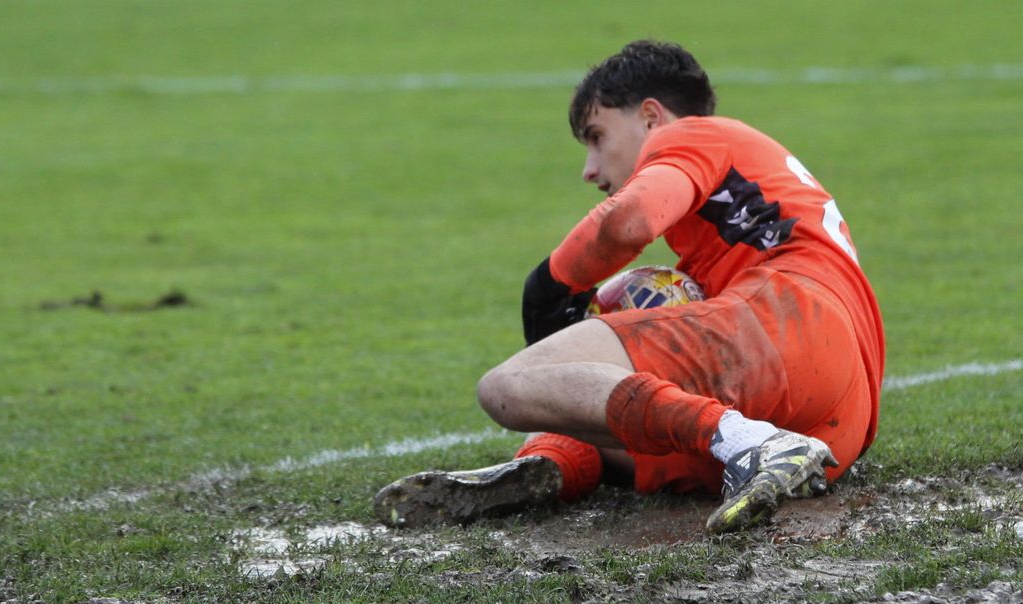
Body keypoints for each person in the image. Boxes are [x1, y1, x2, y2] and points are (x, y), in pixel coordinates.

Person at [373, 40, 884, 533]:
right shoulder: (748, 189)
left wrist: (553, 282)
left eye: (597, 136)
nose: (590, 169)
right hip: (841, 411)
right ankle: (552, 463)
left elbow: (631, 222)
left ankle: (743, 439)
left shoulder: (692, 134)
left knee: (507, 387)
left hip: (785, 319)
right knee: (615, 407)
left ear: (651, 116)